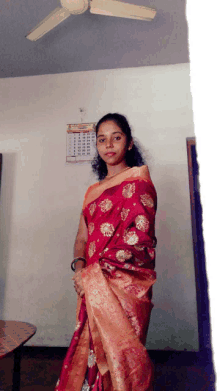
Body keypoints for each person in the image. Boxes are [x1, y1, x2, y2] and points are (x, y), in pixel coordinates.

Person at [55, 113, 157, 391]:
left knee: (120, 360)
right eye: (102, 139)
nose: (108, 145)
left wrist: (92, 275)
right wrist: (80, 271)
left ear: (129, 143)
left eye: (116, 137)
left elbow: (139, 241)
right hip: (90, 285)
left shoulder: (138, 184)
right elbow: (81, 238)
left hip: (123, 289)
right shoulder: (92, 192)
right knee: (89, 355)